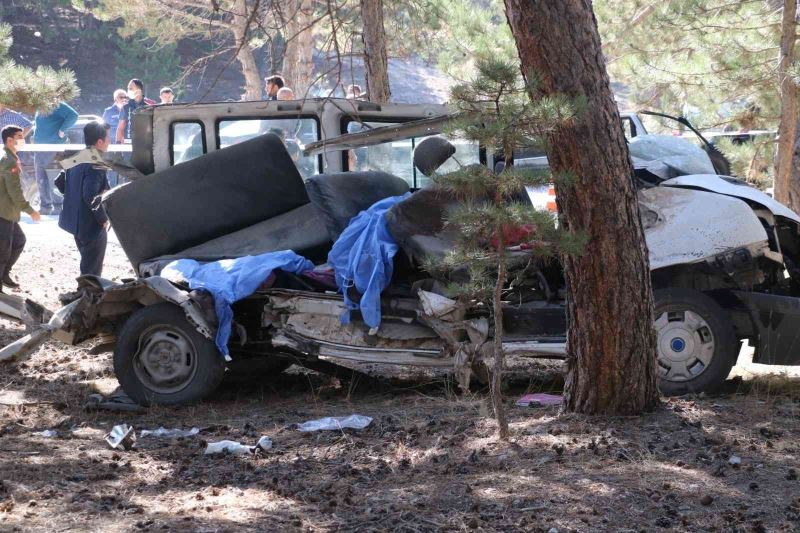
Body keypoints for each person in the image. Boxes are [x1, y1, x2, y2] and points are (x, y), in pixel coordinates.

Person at [58, 121, 111, 277]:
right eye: (108, 138)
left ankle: (85, 293)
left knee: (87, 263)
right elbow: (90, 195)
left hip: (75, 222)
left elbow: (60, 182)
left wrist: (73, 199)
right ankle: (87, 296)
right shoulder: (97, 161)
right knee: (91, 271)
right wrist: (103, 219)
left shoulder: (77, 156)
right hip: (91, 224)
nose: (110, 141)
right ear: (99, 141)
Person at [0, 126, 41, 291]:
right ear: (10, 140)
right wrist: (30, 210)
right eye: (19, 136)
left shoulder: (9, 156)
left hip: (7, 212)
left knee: (18, 241)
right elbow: (14, 192)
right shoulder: (9, 160)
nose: (22, 139)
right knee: (3, 252)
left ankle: (4, 274)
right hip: (4, 212)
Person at [33, 101, 78, 214]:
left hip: (52, 146)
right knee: (42, 176)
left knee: (47, 175)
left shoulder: (55, 103)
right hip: (42, 147)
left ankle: (51, 206)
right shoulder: (41, 104)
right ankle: (48, 206)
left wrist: (62, 130)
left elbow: (73, 115)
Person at [116, 79, 149, 143]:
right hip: (128, 144)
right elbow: (120, 128)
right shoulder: (125, 107)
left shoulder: (148, 108)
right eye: (128, 88)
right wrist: (118, 146)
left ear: (139, 90)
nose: (128, 90)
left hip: (143, 144)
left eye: (131, 88)